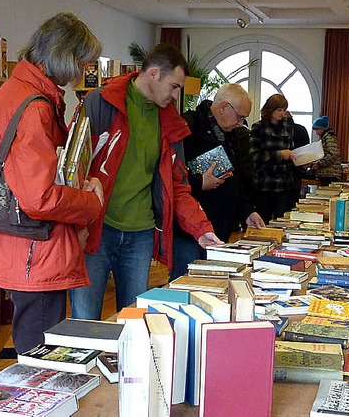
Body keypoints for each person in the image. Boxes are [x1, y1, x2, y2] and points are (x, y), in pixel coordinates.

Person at [0, 12, 104, 354]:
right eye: (81, 60)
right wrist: (91, 202)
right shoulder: (36, 107)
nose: (81, 71)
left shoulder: (17, 91)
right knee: (41, 358)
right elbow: (39, 197)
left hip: (20, 246)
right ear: (64, 55)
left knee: (33, 345)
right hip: (36, 249)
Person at [70, 43, 221, 320]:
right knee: (84, 319)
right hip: (96, 230)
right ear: (153, 74)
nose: (177, 95)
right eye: (174, 86)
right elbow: (71, 164)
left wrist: (200, 228)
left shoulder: (170, 122)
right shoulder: (100, 102)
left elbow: (177, 185)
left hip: (140, 235)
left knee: (134, 323)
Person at [170, 83, 265, 281]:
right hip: (188, 231)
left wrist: (247, 211)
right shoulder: (187, 127)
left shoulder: (236, 137)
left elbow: (237, 181)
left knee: (213, 284)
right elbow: (171, 176)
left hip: (220, 227)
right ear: (223, 107)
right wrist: (199, 183)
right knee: (185, 281)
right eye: (239, 117)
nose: (241, 123)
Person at [250, 93, 296, 223]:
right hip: (265, 182)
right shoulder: (258, 127)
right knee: (263, 220)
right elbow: (254, 155)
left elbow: (291, 151)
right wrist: (279, 154)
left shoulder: (288, 127)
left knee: (281, 221)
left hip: (284, 182)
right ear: (270, 110)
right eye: (278, 110)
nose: (282, 113)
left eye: (283, 110)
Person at [285, 109, 310, 206]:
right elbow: (307, 149)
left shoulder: (281, 130)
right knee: (294, 201)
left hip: (283, 170)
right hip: (298, 169)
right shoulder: (301, 129)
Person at [311, 115, 342, 186]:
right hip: (329, 173)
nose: (316, 132)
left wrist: (319, 164)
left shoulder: (328, 138)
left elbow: (332, 154)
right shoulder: (327, 137)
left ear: (322, 129)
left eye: (316, 129)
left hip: (329, 174)